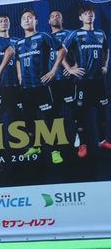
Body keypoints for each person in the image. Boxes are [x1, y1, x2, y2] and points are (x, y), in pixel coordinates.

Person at [15, 8, 66, 163]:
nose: (26, 20)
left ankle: (55, 150)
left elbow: (62, 50)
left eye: (29, 17)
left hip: (42, 86)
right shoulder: (19, 43)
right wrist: (19, 75)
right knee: (29, 119)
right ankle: (35, 146)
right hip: (26, 88)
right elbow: (18, 60)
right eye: (24, 18)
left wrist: (53, 70)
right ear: (20, 23)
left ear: (36, 21)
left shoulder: (43, 36)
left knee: (49, 119)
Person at [63, 4, 111, 158]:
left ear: (94, 16)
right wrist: (70, 69)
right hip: (83, 81)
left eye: (91, 13)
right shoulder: (76, 34)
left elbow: (106, 50)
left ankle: (102, 140)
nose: (89, 15)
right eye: (85, 14)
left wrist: (105, 65)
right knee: (81, 113)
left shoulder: (100, 33)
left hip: (98, 81)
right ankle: (82, 144)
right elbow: (61, 52)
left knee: (102, 112)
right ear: (80, 17)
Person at [48, 10, 77, 149]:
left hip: (68, 79)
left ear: (62, 19)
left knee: (74, 109)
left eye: (58, 16)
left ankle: (80, 138)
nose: (55, 18)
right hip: (52, 81)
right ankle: (58, 145)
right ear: (48, 21)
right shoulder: (46, 37)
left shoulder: (70, 34)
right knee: (53, 113)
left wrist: (75, 66)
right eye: (52, 16)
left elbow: (80, 51)